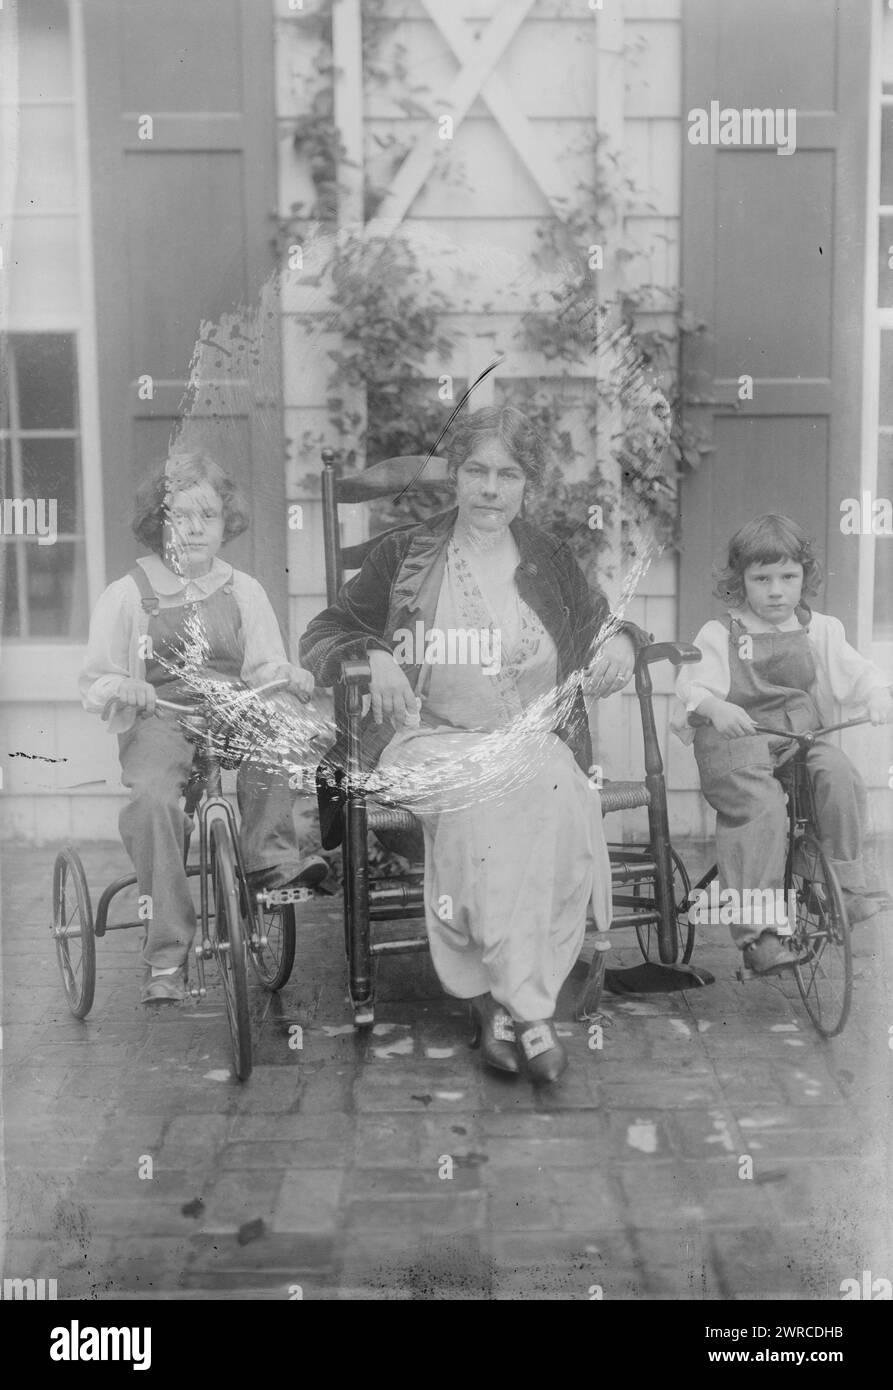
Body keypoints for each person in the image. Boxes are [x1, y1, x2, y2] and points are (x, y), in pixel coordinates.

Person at [300, 406, 648, 1084]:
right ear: (455, 477)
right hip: (424, 739)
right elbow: (322, 633)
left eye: (507, 474)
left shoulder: (546, 558)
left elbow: (600, 623)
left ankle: (496, 1007)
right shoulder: (404, 556)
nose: (491, 489)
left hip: (523, 740)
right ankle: (529, 1015)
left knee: (556, 792)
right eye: (477, 471)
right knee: (487, 798)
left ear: (526, 484)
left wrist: (625, 640)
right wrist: (371, 654)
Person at [79, 449, 325, 1006]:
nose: (192, 529)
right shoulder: (128, 596)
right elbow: (96, 678)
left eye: (206, 516)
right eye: (178, 515)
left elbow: (263, 668)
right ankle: (166, 952)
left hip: (233, 712)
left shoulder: (244, 591)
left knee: (280, 730)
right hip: (162, 720)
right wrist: (125, 686)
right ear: (156, 522)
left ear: (225, 523)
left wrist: (285, 674)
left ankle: (271, 862)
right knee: (152, 801)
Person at [673, 514, 893, 974]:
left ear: (804, 577)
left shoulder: (819, 630)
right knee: (762, 806)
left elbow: (858, 672)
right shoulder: (721, 634)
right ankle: (759, 935)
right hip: (737, 743)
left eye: (788, 577)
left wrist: (874, 694)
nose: (776, 591)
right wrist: (716, 708)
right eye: (762, 578)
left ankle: (843, 889)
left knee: (838, 771)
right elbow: (691, 690)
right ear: (741, 582)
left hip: (797, 738)